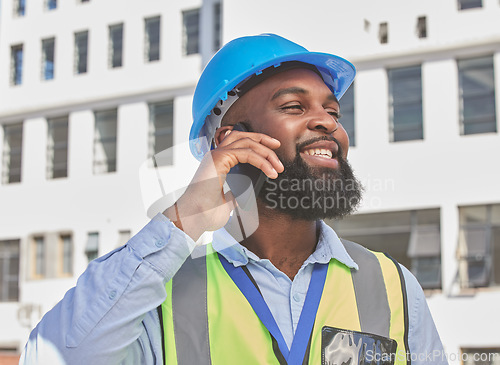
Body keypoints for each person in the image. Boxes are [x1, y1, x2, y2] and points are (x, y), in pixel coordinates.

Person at [20, 34, 447, 365]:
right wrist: (184, 218)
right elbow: (54, 355)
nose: (327, 123)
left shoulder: (393, 286)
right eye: (295, 106)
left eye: (333, 112)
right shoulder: (156, 290)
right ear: (232, 140)